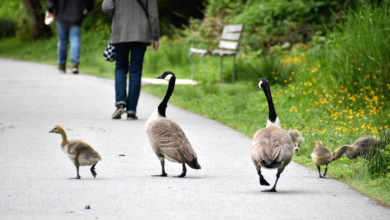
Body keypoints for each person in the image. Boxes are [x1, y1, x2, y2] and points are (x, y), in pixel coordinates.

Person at [102, 0, 160, 120]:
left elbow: (107, 7)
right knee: (135, 70)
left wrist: (118, 12)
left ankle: (121, 102)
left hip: (120, 31)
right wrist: (155, 36)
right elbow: (153, 13)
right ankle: (132, 110)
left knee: (120, 68)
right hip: (141, 33)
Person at [46, 0, 94, 74]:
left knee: (62, 40)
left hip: (61, 13)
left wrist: (49, 10)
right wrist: (87, 7)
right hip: (76, 13)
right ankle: (74, 64)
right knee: (75, 38)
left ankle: (61, 64)